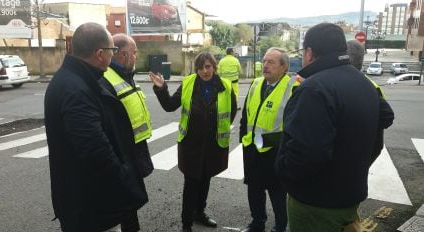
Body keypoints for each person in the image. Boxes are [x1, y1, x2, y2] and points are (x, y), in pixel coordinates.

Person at [275, 23, 394, 232]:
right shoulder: (364, 83)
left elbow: (308, 153)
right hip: (350, 195)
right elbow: (385, 117)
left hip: (315, 203)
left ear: (310, 53)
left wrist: (284, 172)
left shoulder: (314, 88)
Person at [44, 22, 148, 232]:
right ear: (100, 53)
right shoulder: (75, 89)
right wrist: (127, 182)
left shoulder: (80, 79)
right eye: (112, 51)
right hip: (90, 205)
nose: (113, 56)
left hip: (90, 199)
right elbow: (96, 151)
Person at [149, 52, 237, 232]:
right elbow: (170, 106)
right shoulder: (188, 82)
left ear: (214, 67)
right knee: (191, 183)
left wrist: (218, 128)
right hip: (191, 145)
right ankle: (186, 223)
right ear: (196, 69)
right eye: (200, 67)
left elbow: (232, 111)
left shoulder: (225, 86)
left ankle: (199, 213)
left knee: (205, 179)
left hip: (213, 145)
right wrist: (162, 89)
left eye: (208, 67)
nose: (204, 71)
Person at [239, 47, 298, 232]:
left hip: (276, 151)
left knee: (277, 193)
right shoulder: (256, 83)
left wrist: (276, 144)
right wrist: (243, 139)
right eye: (264, 61)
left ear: (284, 67)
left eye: (271, 62)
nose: (265, 65)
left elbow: (295, 126)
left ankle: (280, 227)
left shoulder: (293, 88)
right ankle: (257, 223)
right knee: (254, 189)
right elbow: (246, 116)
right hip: (252, 148)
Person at [100, 33, 154, 232]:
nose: (137, 56)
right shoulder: (107, 80)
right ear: (122, 55)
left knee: (131, 198)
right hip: (122, 151)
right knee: (125, 200)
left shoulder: (126, 75)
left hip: (134, 148)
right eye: (135, 52)